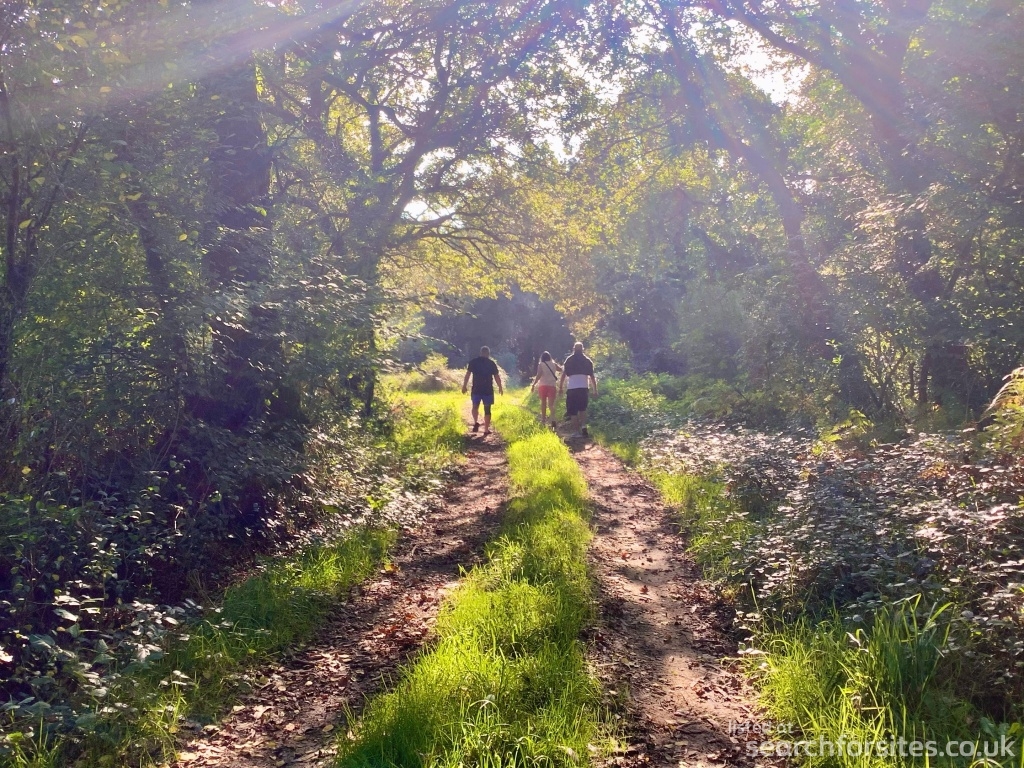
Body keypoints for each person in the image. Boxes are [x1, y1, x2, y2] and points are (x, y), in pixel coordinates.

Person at [559, 341, 597, 438]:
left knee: (573, 411)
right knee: (582, 409)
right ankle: (584, 426)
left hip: (572, 388)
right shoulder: (587, 361)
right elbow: (592, 377)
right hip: (584, 388)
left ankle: (576, 432)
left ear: (574, 349)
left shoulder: (569, 360)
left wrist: (560, 387)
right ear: (583, 349)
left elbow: (563, 375)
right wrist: (595, 390)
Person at [462, 346, 503, 435]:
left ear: (481, 353)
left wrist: (464, 386)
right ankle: (486, 430)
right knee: (487, 410)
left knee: (475, 406)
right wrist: (500, 387)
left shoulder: (473, 362)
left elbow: (467, 374)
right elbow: (496, 376)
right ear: (488, 354)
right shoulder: (491, 363)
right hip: (487, 390)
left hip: (476, 389)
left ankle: (476, 422)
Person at [529, 351, 563, 428]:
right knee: (551, 404)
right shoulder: (554, 364)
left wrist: (533, 384)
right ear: (550, 357)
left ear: (542, 358)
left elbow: (539, 375)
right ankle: (553, 419)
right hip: (552, 386)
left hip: (543, 386)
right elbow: (561, 370)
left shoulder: (541, 365)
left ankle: (543, 420)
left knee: (543, 403)